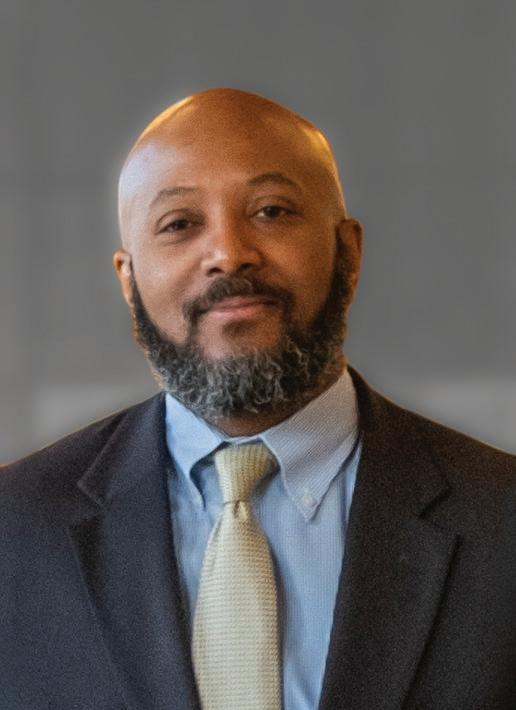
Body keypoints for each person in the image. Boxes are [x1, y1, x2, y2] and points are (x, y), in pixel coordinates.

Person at [1, 88, 515, 710]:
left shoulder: (501, 517)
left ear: (348, 253)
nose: (228, 254)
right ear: (129, 281)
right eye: (179, 224)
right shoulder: (13, 529)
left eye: (271, 211)